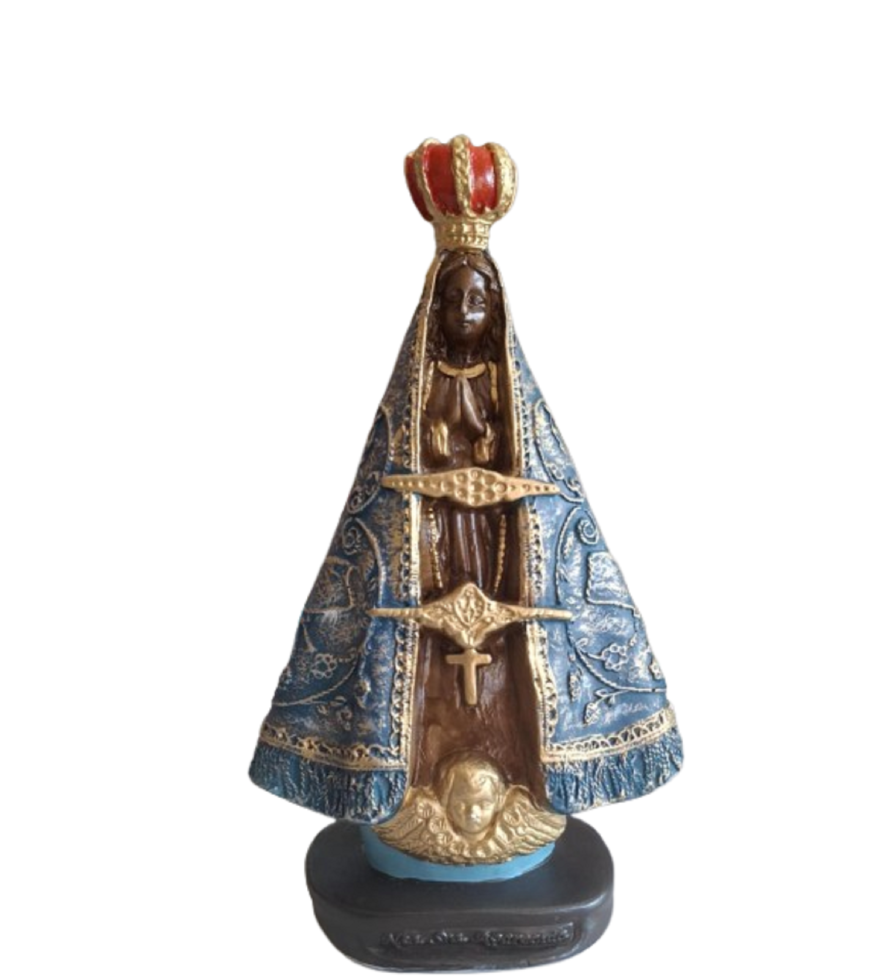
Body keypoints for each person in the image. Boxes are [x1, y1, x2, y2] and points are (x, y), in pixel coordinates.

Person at [249, 136, 682, 856]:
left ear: (498, 309)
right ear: (433, 308)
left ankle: (521, 763)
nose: (466, 315)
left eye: (479, 302)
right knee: (417, 663)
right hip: (427, 545)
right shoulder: (420, 385)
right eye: (453, 301)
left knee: (509, 661)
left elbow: (529, 473)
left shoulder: (509, 393)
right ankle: (405, 770)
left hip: (499, 549)